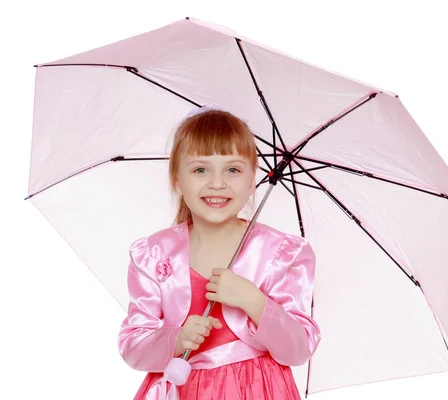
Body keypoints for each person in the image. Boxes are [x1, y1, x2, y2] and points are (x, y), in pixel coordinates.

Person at [118, 107, 321, 399]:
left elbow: (298, 349)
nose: (217, 183)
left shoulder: (280, 253)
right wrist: (177, 339)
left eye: (233, 170)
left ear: (252, 182)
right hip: (182, 389)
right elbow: (133, 347)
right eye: (201, 169)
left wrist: (254, 301)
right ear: (177, 180)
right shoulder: (154, 254)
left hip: (258, 390)